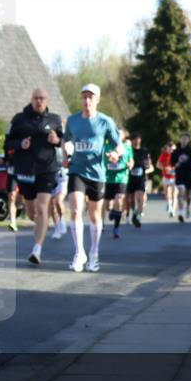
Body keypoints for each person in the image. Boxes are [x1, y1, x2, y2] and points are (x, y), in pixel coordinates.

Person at [63, 83, 122, 273]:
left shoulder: (106, 122)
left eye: (91, 97)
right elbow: (66, 140)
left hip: (97, 173)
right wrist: (65, 157)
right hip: (77, 170)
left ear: (97, 99)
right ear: (81, 99)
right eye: (84, 97)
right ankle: (79, 252)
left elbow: (118, 145)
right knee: (75, 210)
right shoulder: (72, 121)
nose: (87, 100)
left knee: (95, 215)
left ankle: (94, 254)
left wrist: (115, 154)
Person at [5, 88, 64, 265]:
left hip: (47, 169)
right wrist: (20, 144)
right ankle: (42, 226)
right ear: (31, 99)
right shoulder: (19, 119)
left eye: (42, 98)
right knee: (32, 212)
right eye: (36, 98)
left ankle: (36, 249)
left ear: (47, 100)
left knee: (41, 207)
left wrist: (57, 141)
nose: (39, 101)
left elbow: (64, 140)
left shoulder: (55, 119)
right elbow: (7, 142)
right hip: (25, 170)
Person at [104, 129, 134, 239]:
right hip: (108, 179)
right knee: (108, 206)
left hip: (122, 178)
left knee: (119, 200)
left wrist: (130, 164)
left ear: (124, 136)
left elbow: (131, 161)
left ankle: (116, 228)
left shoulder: (127, 147)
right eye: (116, 133)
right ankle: (112, 211)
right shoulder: (107, 146)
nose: (118, 135)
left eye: (120, 133)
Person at [126, 132, 153, 228]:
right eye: (134, 139)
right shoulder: (129, 150)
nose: (136, 141)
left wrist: (147, 165)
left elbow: (148, 163)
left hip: (141, 178)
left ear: (140, 140)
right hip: (130, 178)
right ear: (132, 140)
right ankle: (133, 213)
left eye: (138, 139)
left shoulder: (144, 151)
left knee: (140, 198)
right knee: (130, 200)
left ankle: (136, 216)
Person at [171, 132, 191, 223]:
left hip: (188, 174)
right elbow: (172, 162)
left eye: (186, 139)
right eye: (182, 138)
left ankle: (187, 207)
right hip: (179, 174)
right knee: (180, 192)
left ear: (188, 140)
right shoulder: (176, 151)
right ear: (180, 139)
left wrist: (187, 161)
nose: (184, 140)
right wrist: (176, 164)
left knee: (187, 194)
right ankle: (180, 213)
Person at [49, 157, 68, 240]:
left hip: (62, 177)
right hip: (50, 177)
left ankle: (62, 219)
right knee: (52, 206)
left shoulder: (64, 145)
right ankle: (57, 228)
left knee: (59, 200)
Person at [157, 141, 177, 216]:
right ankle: (169, 203)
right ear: (167, 149)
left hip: (175, 177)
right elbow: (158, 164)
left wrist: (174, 169)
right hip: (166, 177)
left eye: (173, 149)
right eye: (170, 149)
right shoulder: (164, 155)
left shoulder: (177, 156)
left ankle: (173, 210)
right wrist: (164, 168)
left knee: (174, 194)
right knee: (167, 193)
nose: (171, 151)